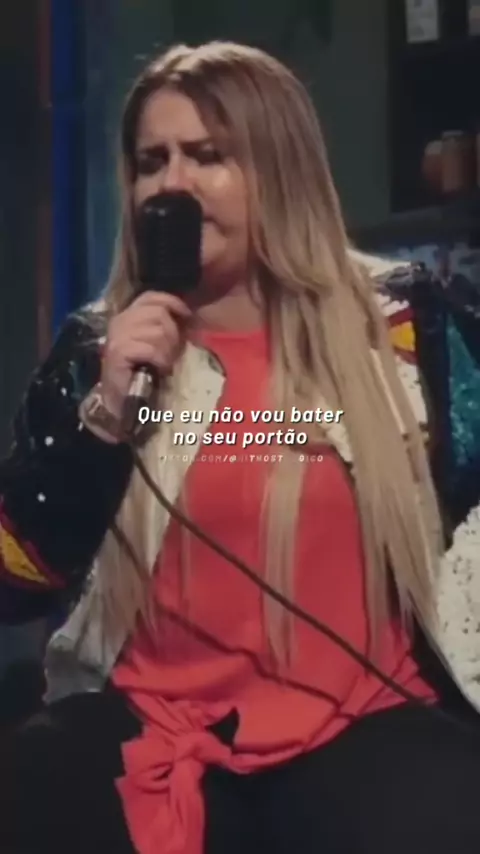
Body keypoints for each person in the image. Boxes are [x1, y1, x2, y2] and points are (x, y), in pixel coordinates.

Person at [0, 40, 480, 854]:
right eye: (151, 162)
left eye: (207, 156)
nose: (172, 184)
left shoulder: (405, 328)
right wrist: (104, 418)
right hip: (149, 721)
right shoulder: (96, 353)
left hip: (366, 723)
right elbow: (16, 577)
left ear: (278, 170)